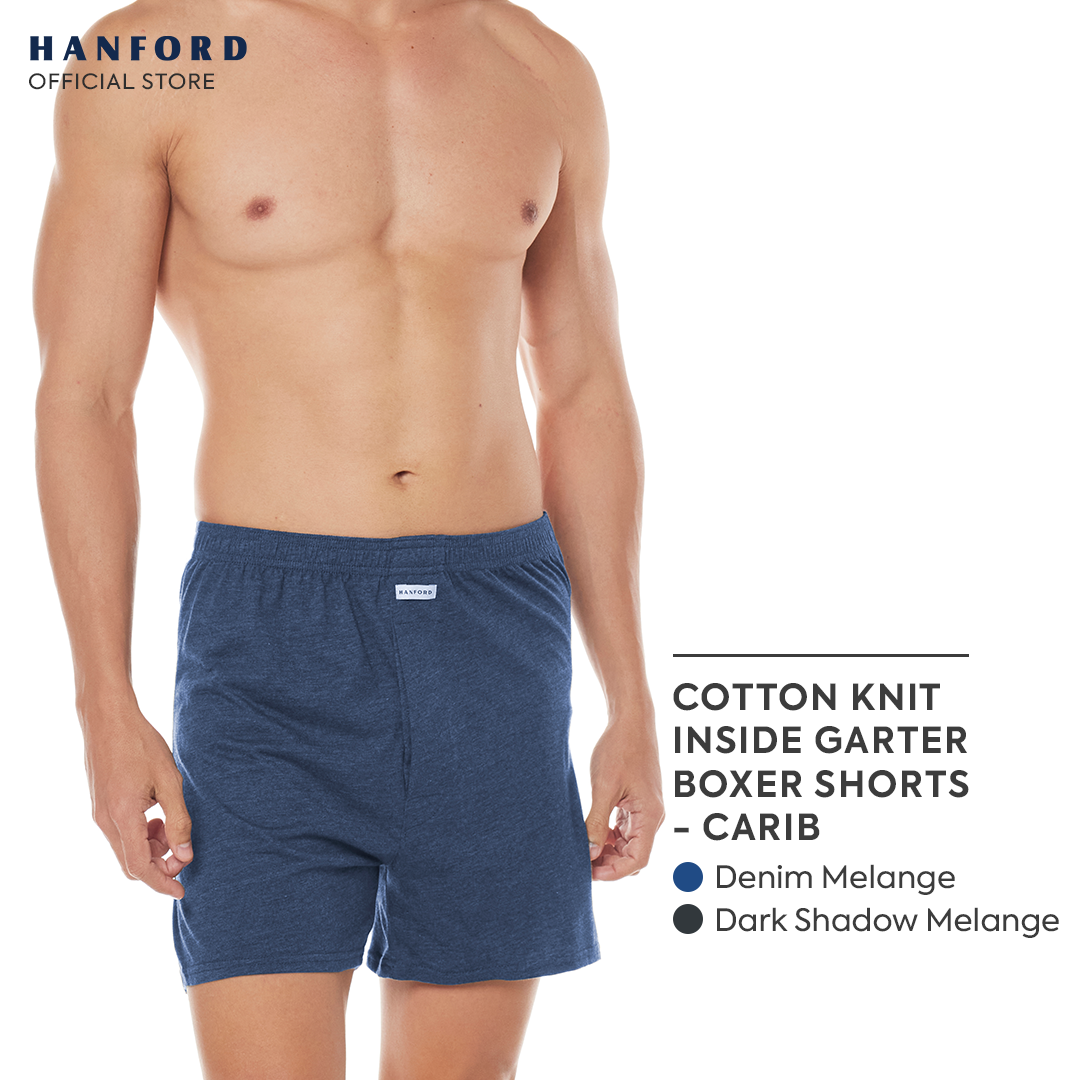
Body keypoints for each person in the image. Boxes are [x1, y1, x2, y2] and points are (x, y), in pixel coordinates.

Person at [34, 1, 663, 1076]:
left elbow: (585, 390)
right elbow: (85, 396)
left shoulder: (542, 69)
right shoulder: (149, 58)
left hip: (494, 628)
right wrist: (103, 701)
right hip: (271, 633)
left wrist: (631, 699)